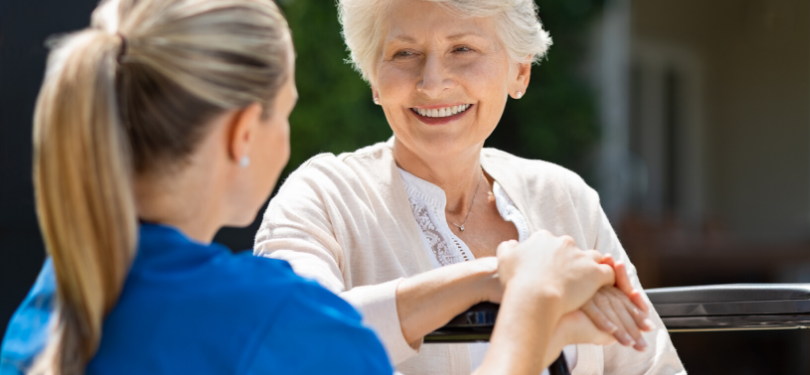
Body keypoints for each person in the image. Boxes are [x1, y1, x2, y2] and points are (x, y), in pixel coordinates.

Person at [0, 0, 622, 374]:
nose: (433, 81)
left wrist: (488, 279)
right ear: (246, 132)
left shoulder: (60, 296)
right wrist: (530, 312)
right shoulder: (276, 319)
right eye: (287, 110)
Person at [254, 0, 686, 374]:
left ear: (520, 72)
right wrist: (502, 279)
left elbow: (652, 366)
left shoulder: (564, 197)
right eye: (404, 53)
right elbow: (291, 340)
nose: (432, 82)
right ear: (373, 80)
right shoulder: (322, 198)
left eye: (462, 49)